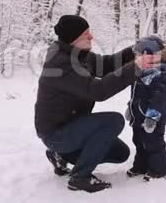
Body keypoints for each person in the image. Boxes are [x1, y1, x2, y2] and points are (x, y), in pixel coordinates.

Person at [35, 15, 159, 193]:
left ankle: (60, 155)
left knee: (120, 153)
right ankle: (80, 177)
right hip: (56, 132)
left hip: (72, 126)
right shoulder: (61, 65)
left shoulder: (77, 54)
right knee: (114, 121)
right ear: (73, 39)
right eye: (86, 34)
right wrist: (135, 67)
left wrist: (133, 51)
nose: (91, 37)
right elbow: (98, 91)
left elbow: (106, 64)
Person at [125, 36, 166, 181]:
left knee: (153, 144)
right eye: (138, 56)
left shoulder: (161, 77)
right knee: (139, 142)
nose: (138, 59)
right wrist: (130, 107)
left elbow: (159, 101)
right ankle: (140, 166)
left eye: (142, 55)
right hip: (138, 118)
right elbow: (135, 95)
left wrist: (152, 117)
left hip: (152, 120)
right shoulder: (139, 75)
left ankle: (159, 171)